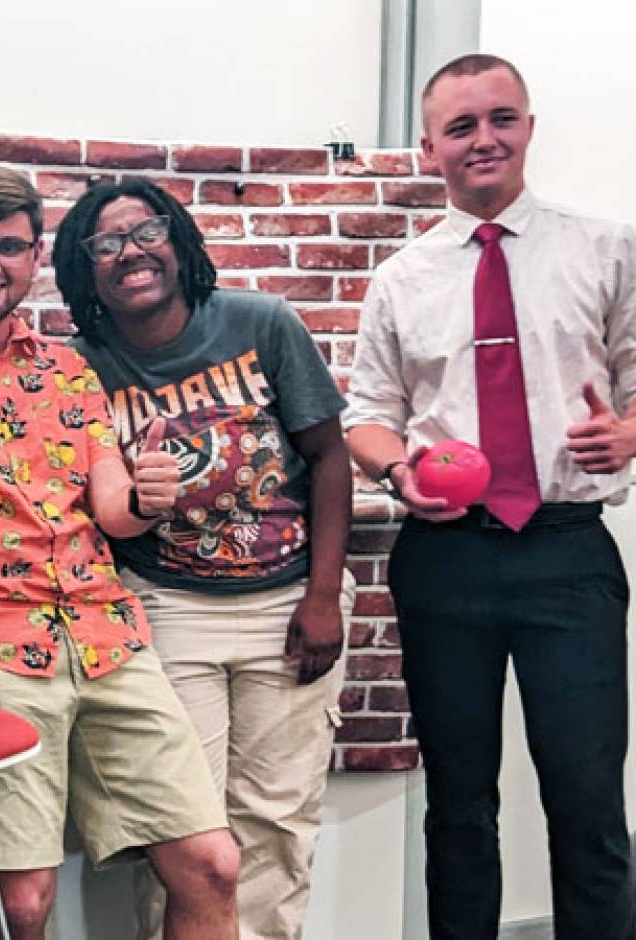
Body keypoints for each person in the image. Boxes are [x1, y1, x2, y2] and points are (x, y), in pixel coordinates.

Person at [0, 165, 239, 940]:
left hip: (107, 636)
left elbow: (112, 513)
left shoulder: (67, 368)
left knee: (213, 865)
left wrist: (148, 496)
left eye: (7, 246)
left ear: (34, 257)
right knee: (23, 902)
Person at [346, 53, 636, 940]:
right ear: (431, 146)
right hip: (448, 557)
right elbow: (368, 417)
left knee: (588, 800)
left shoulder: (607, 247)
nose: (485, 140)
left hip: (567, 551)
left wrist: (631, 432)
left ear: (529, 127)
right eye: (463, 127)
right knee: (458, 802)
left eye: (501, 119)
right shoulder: (402, 278)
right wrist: (399, 473)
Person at [55, 178, 353, 940]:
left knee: (277, 821)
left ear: (179, 241)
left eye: (146, 231)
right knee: (184, 830)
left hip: (287, 603)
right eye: (106, 244)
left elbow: (329, 459)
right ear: (83, 271)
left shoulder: (263, 323)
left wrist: (323, 597)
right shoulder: (80, 368)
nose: (131, 252)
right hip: (169, 606)